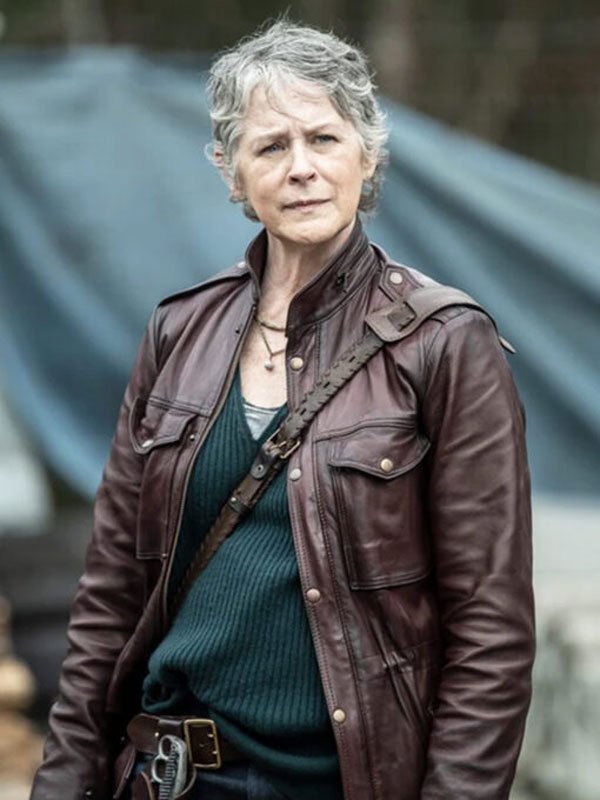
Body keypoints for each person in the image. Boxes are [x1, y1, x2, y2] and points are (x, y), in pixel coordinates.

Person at [30, 19, 534, 800]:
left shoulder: (444, 342)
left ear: (367, 153)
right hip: (168, 778)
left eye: (323, 138)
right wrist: (63, 783)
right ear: (231, 173)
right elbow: (109, 599)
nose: (301, 167)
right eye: (270, 147)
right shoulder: (179, 331)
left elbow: (491, 633)